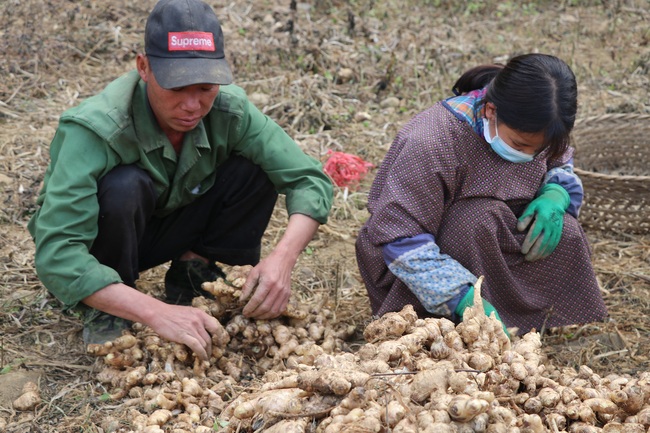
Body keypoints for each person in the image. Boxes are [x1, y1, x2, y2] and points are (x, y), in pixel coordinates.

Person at [27, 0, 333, 360]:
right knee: (124, 186)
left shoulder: (230, 112)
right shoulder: (96, 128)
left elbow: (309, 179)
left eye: (205, 87)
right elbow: (58, 253)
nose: (192, 105)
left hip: (168, 224)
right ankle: (109, 305)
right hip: (105, 244)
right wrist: (154, 311)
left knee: (254, 168)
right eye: (177, 87)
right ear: (144, 67)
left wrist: (282, 259)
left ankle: (195, 271)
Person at [355, 53, 608, 335]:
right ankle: (463, 322)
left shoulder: (541, 126)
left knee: (565, 229)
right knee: (477, 220)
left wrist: (557, 192)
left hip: (496, 242)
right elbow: (399, 236)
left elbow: (560, 163)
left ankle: (531, 324)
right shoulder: (431, 140)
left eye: (539, 149)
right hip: (427, 254)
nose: (531, 156)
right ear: (490, 111)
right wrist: (462, 297)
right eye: (521, 144)